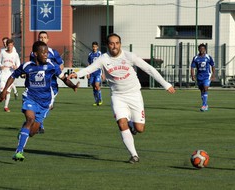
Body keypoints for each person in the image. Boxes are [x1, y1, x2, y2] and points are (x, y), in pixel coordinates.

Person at [68, 33, 175, 163]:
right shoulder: (103, 59)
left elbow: (149, 69)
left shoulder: (129, 56)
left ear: (120, 44)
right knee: (121, 123)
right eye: (112, 43)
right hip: (118, 96)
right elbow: (90, 68)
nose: (114, 46)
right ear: (107, 45)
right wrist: (77, 74)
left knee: (140, 128)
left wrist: (166, 84)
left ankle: (132, 125)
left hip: (134, 94)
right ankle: (134, 155)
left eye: (117, 43)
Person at [0, 41, 78, 161]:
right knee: (30, 119)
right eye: (43, 52)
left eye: (46, 52)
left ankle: (23, 133)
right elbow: (13, 75)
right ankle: (19, 151)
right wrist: (4, 91)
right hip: (30, 97)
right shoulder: (27, 66)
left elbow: (64, 78)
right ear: (35, 54)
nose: (46, 55)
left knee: (32, 132)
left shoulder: (52, 66)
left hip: (45, 103)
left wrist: (72, 86)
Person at [30, 31, 78, 133]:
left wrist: (56, 70)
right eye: (40, 37)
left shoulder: (53, 53)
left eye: (44, 37)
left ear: (48, 39)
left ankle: (38, 124)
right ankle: (39, 125)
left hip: (52, 86)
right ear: (38, 39)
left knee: (47, 106)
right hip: (39, 85)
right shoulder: (33, 53)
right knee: (39, 106)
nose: (42, 39)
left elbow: (61, 65)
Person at [190, 43, 215, 112]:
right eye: (201, 49)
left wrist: (213, 75)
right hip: (199, 76)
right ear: (198, 49)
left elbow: (213, 65)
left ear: (205, 50)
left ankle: (204, 105)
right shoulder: (195, 58)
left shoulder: (208, 57)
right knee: (202, 90)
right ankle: (205, 105)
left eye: (203, 49)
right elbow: (192, 67)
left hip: (207, 76)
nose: (202, 50)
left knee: (205, 88)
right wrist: (192, 75)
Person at [0, 39, 20, 112]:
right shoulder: (2, 52)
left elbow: (18, 64)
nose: (10, 46)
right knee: (1, 90)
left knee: (7, 92)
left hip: (10, 74)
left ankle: (6, 107)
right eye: (9, 45)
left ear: (13, 46)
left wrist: (15, 67)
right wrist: (1, 65)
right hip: (3, 73)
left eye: (11, 45)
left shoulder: (15, 54)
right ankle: (1, 96)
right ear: (6, 46)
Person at [87, 41, 103, 106]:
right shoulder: (90, 54)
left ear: (97, 47)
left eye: (95, 47)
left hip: (98, 72)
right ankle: (96, 101)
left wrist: (103, 73)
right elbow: (89, 64)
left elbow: (102, 63)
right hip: (92, 73)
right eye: (93, 46)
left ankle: (100, 99)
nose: (94, 48)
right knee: (94, 87)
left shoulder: (99, 54)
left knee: (97, 85)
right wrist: (88, 73)